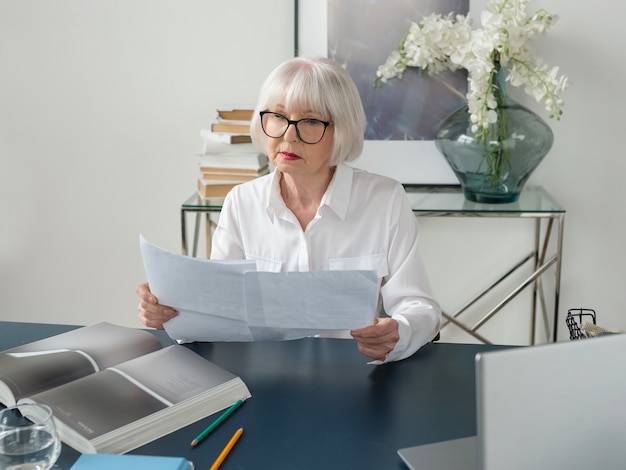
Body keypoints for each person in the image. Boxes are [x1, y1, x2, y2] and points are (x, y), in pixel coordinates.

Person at [137, 57, 441, 363]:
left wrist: (398, 332)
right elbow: (219, 314)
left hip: (353, 375)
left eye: (310, 121)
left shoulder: (384, 199)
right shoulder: (241, 202)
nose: (288, 135)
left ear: (341, 129)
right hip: (263, 378)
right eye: (278, 117)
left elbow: (419, 307)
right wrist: (172, 315)